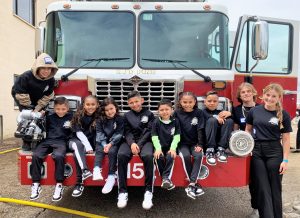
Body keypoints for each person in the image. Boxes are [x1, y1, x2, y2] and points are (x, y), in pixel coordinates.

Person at [245, 83, 292, 218]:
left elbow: (286, 139)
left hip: (275, 152)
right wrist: (248, 148)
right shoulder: (254, 111)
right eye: (268, 95)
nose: (270, 98)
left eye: (274, 96)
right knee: (262, 186)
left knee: (275, 187)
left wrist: (285, 160)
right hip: (257, 152)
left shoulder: (284, 114)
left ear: (279, 98)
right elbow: (247, 130)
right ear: (263, 94)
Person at [11, 53, 58, 151]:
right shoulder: (25, 77)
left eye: (49, 69)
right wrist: (30, 109)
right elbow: (19, 92)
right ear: (37, 67)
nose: (46, 71)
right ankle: (26, 141)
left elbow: (48, 95)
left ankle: (38, 140)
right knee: (27, 120)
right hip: (24, 100)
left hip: (39, 102)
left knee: (39, 119)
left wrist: (38, 108)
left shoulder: (50, 80)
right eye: (43, 68)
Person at [117, 91, 155, 209]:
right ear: (128, 103)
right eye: (131, 103)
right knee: (122, 155)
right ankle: (122, 192)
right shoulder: (127, 115)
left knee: (148, 156)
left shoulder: (149, 114)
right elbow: (127, 132)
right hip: (130, 141)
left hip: (145, 141)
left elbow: (149, 131)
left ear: (142, 100)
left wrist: (139, 144)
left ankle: (148, 192)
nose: (134, 104)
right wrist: (132, 143)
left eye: (136, 101)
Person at [30, 97, 73, 201]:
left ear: (67, 108)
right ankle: (36, 184)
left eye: (63, 109)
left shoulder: (72, 117)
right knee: (36, 155)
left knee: (58, 156)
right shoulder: (49, 116)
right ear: (54, 108)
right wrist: (41, 115)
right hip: (47, 141)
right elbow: (40, 122)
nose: (60, 111)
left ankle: (59, 184)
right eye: (58, 109)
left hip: (61, 142)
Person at [232, 82, 259, 217]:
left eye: (249, 91)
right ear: (240, 96)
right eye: (243, 92)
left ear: (254, 93)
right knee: (252, 181)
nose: (246, 94)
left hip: (261, 148)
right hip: (245, 149)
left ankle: (268, 208)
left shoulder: (262, 108)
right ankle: (256, 209)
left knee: (262, 180)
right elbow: (235, 131)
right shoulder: (236, 110)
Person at [173, 91, 205, 200]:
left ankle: (191, 184)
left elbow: (200, 129)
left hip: (195, 143)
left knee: (198, 155)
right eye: (184, 102)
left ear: (195, 102)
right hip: (182, 143)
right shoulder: (176, 113)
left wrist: (200, 144)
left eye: (190, 102)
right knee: (185, 156)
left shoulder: (199, 113)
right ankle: (193, 184)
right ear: (180, 102)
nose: (187, 104)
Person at [69, 95, 100, 197]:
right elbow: (78, 133)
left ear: (97, 105)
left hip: (91, 142)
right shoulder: (77, 116)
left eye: (93, 104)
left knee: (79, 152)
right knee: (77, 152)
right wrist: (88, 146)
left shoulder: (99, 116)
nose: (90, 107)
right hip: (77, 140)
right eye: (87, 104)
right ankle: (79, 182)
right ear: (83, 105)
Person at [93, 97, 124, 194]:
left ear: (115, 107)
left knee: (112, 151)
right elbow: (99, 132)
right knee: (99, 149)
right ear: (103, 111)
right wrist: (104, 144)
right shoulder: (100, 120)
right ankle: (97, 169)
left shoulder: (120, 119)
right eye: (106, 110)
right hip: (102, 141)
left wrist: (110, 144)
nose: (110, 112)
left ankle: (111, 176)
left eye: (111, 108)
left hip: (114, 142)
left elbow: (119, 133)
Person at [151, 99, 180, 190]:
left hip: (170, 147)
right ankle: (165, 179)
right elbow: (154, 137)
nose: (164, 112)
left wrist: (173, 148)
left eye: (167, 109)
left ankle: (165, 178)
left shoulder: (176, 121)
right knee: (158, 156)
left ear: (172, 110)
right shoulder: (156, 122)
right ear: (158, 111)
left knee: (170, 156)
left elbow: (177, 136)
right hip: (159, 146)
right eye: (161, 110)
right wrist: (158, 149)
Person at [203, 91, 234, 165]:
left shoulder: (221, 112)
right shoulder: (201, 112)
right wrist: (216, 118)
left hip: (220, 140)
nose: (212, 103)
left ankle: (221, 150)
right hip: (207, 142)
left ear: (218, 103)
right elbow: (206, 117)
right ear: (205, 102)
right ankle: (209, 151)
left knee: (229, 121)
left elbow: (235, 119)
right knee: (212, 120)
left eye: (215, 101)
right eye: (209, 101)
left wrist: (230, 114)